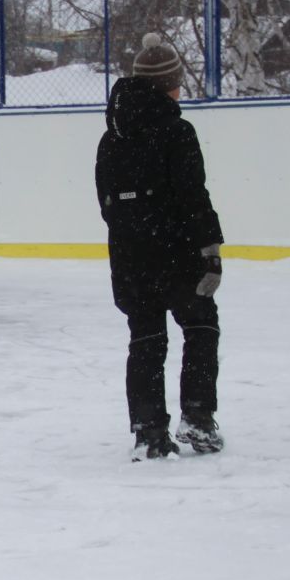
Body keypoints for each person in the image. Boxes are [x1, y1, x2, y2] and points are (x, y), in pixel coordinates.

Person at [96, 32, 225, 460]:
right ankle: (199, 419)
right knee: (201, 327)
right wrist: (210, 251)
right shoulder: (177, 131)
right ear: (167, 84)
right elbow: (194, 196)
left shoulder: (111, 138)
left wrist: (135, 237)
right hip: (178, 254)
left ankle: (149, 433)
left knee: (146, 340)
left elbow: (107, 205)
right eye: (177, 81)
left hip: (131, 259)